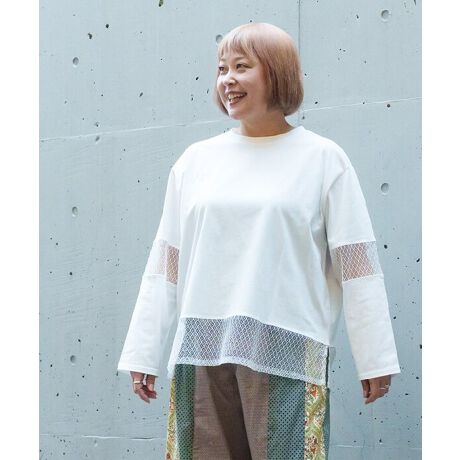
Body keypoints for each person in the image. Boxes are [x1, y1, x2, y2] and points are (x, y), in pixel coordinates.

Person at [117, 22, 401, 459]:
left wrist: (375, 356)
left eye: (241, 67)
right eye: (222, 69)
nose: (227, 80)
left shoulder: (323, 160)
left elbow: (356, 265)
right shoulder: (195, 162)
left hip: (287, 352)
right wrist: (143, 351)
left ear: (277, 72)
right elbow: (166, 262)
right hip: (202, 351)